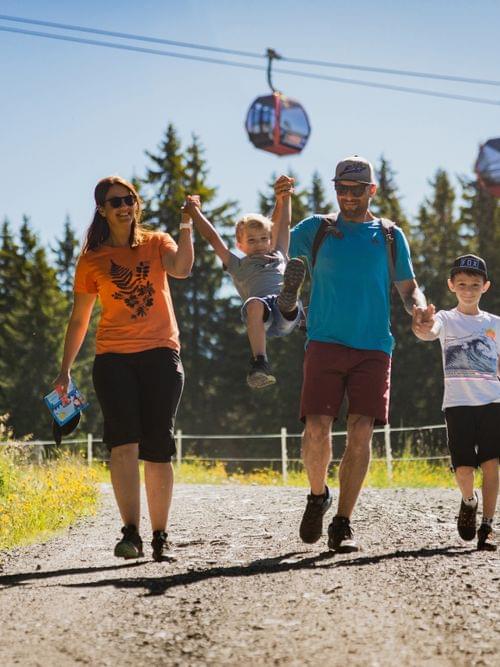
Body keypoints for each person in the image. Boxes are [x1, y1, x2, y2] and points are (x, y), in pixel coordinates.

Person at [289, 155, 431, 552]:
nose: (347, 197)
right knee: (316, 427)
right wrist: (282, 202)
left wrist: (418, 308)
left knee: (361, 431)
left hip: (373, 346)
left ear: (372, 190)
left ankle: (343, 523)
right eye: (341, 189)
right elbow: (278, 246)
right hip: (324, 340)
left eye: (355, 190)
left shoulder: (388, 235)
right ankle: (318, 496)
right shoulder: (317, 228)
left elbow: (408, 289)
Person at [54, 175, 193, 562]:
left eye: (128, 199)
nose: (124, 206)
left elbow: (181, 268)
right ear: (102, 209)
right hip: (113, 358)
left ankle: (161, 535)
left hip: (161, 354)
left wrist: (186, 224)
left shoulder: (157, 242)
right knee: (123, 445)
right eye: (115, 201)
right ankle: (131, 533)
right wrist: (65, 371)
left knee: (158, 446)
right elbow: (80, 319)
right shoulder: (92, 259)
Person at [182, 175, 305, 389]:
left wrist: (285, 196)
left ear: (270, 239)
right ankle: (260, 362)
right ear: (240, 245)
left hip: (284, 312)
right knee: (255, 303)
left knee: (284, 303)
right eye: (251, 240)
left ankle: (289, 300)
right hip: (261, 317)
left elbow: (283, 223)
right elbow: (212, 237)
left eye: (263, 239)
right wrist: (194, 213)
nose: (258, 244)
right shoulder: (236, 264)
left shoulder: (279, 253)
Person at [412, 254, 499, 551]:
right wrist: (422, 326)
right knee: (464, 469)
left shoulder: (496, 324)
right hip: (458, 404)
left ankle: (487, 525)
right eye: (462, 283)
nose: (468, 289)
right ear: (451, 285)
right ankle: (468, 501)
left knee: (491, 465)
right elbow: (428, 331)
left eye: (475, 284)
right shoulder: (445, 319)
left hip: (492, 403)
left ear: (485, 286)